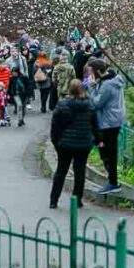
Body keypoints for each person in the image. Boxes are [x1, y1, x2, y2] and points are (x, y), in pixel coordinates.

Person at [49, 79, 102, 209]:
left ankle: (54, 200)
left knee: (61, 171)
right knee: (80, 172)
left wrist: (56, 141)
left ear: (69, 89)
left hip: (65, 144)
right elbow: (95, 126)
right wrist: (98, 140)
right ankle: (77, 199)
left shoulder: (62, 105)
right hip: (83, 144)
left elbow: (55, 126)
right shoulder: (89, 105)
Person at [87, 58, 126, 195]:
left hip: (108, 122)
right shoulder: (113, 79)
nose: (90, 75)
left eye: (91, 71)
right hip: (113, 119)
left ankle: (113, 182)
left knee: (108, 153)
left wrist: (92, 87)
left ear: (98, 71)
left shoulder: (107, 85)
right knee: (108, 151)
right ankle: (112, 180)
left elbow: (96, 104)